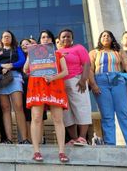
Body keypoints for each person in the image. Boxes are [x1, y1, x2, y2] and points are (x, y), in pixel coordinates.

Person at [24, 30, 69, 162]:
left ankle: (61, 152)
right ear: (40, 40)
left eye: (48, 37)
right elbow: (25, 69)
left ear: (52, 40)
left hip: (55, 86)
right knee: (36, 118)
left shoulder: (58, 53)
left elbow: (66, 71)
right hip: (37, 86)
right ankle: (36, 151)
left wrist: (53, 77)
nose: (45, 39)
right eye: (43, 37)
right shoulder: (34, 54)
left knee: (58, 119)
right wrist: (30, 54)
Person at [88, 30, 127, 146]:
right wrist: (93, 85)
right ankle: (110, 143)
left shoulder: (118, 51)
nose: (106, 37)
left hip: (118, 80)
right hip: (100, 82)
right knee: (107, 115)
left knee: (124, 112)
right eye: (103, 36)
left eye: (108, 36)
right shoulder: (94, 52)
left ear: (112, 39)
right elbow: (90, 69)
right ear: (100, 39)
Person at [0, 30, 29, 144]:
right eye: (4, 37)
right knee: (5, 109)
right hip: (2, 79)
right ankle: (9, 139)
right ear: (1, 39)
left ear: (12, 38)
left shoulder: (17, 49)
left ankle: (24, 139)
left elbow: (22, 61)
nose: (6, 38)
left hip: (15, 77)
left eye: (8, 36)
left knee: (18, 107)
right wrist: (2, 65)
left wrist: (11, 65)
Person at [57, 29, 92, 145]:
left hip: (77, 81)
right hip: (62, 83)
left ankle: (82, 137)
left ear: (72, 38)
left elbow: (87, 63)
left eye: (68, 36)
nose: (66, 38)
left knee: (81, 108)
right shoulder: (57, 52)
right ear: (59, 39)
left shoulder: (79, 48)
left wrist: (83, 79)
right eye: (63, 37)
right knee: (67, 112)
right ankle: (73, 138)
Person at [19, 39, 33, 142]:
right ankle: (27, 138)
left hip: (35, 85)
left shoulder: (36, 53)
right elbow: (24, 69)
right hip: (24, 85)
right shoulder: (20, 56)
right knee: (26, 113)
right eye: (22, 45)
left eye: (26, 44)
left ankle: (38, 139)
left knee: (38, 114)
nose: (24, 46)